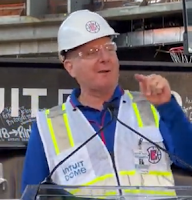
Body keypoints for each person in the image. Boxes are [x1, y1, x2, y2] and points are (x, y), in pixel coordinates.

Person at [21, 9, 192, 198]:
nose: (105, 58)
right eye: (92, 52)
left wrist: (168, 107)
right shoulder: (48, 127)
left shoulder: (152, 107)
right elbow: (31, 195)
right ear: (70, 67)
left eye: (109, 48)